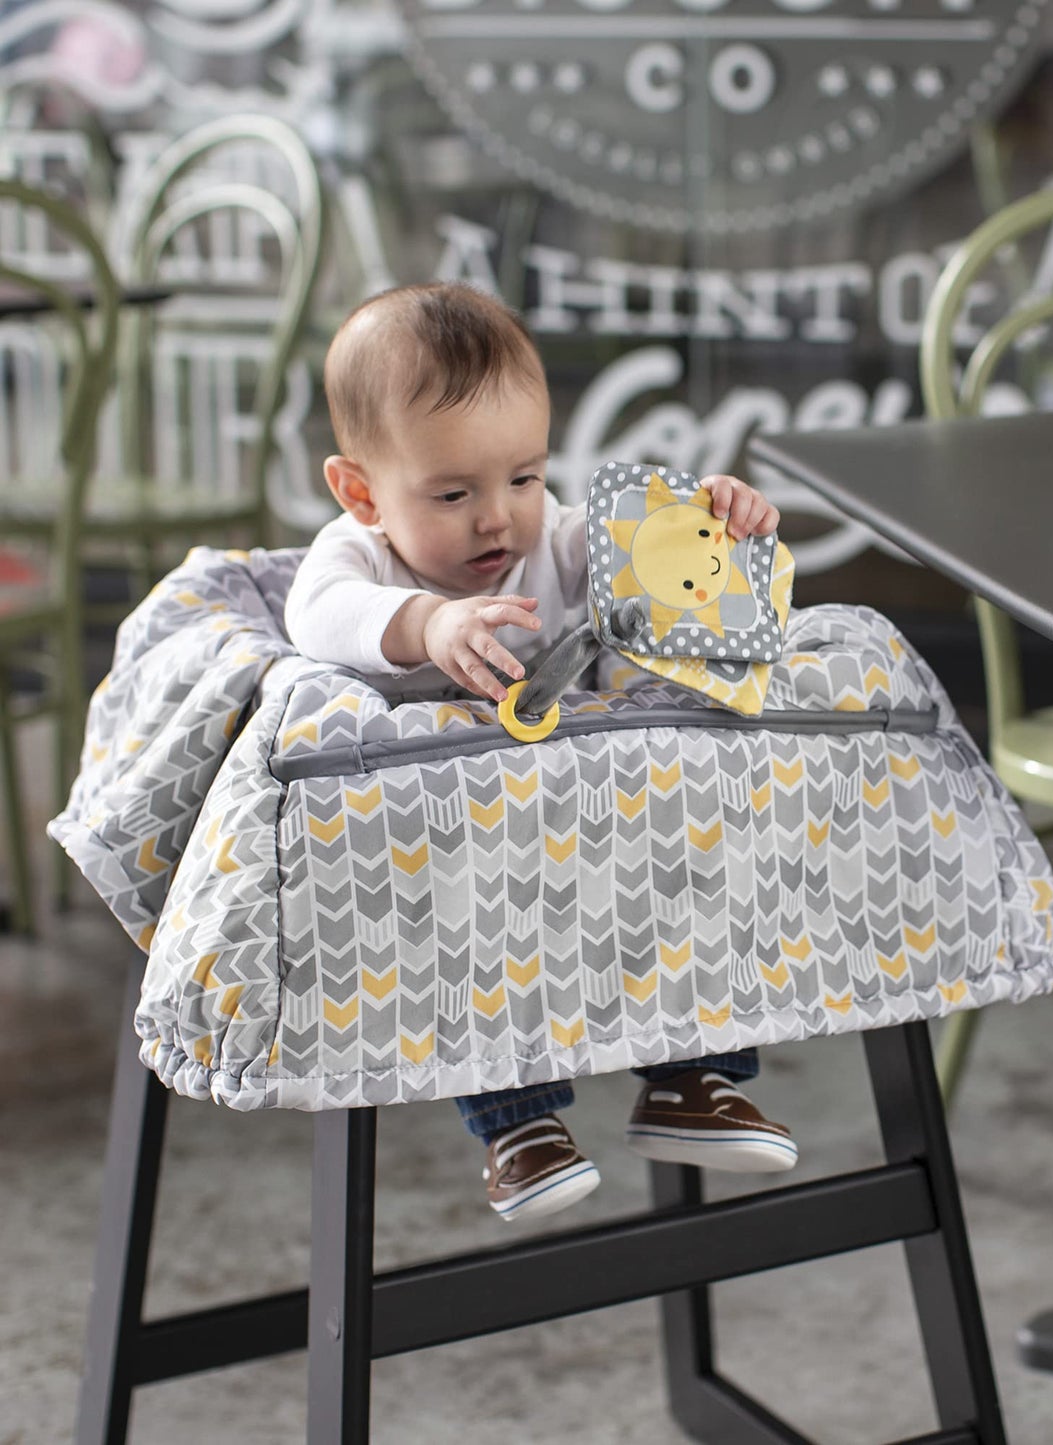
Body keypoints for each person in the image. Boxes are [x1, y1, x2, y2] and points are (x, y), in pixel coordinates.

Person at [286, 281, 796, 1222]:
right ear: (360, 490)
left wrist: (715, 516)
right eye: (453, 492)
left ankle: (694, 1075)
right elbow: (314, 615)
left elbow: (658, 563)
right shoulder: (355, 561)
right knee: (474, 941)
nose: (498, 518)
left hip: (591, 820)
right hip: (461, 845)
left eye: (523, 477)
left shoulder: (558, 543)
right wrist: (427, 622)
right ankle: (517, 1122)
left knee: (689, 858)